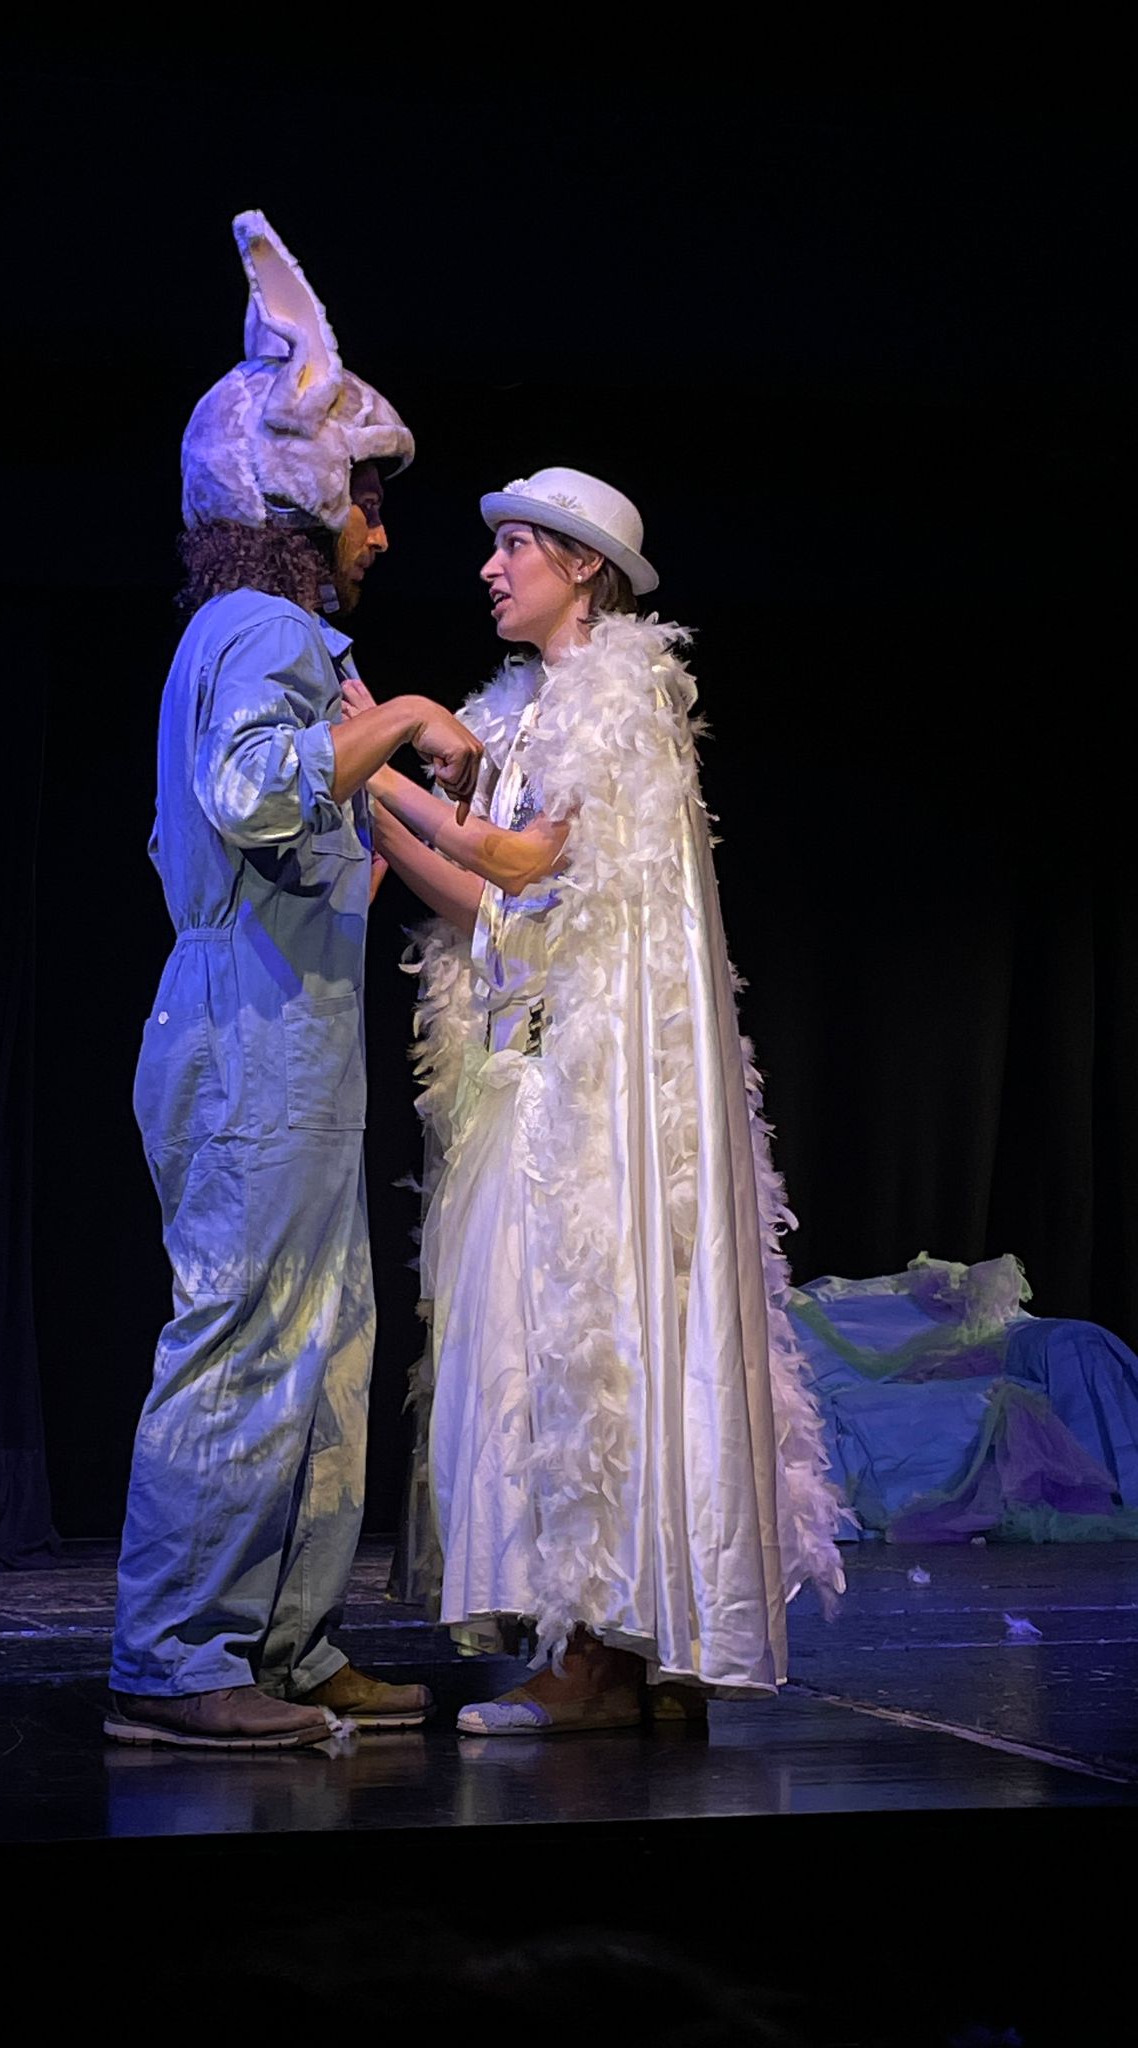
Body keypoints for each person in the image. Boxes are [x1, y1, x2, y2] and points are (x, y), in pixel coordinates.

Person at [361, 467, 846, 1734]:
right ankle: (610, 1655)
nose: (490, 566)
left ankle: (602, 1665)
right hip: (525, 1070)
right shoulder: (515, 716)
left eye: (516, 545)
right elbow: (491, 903)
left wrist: (385, 769)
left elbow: (528, 858)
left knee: (591, 1343)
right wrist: (371, 794)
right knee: (532, 1357)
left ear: (584, 566)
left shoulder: (621, 698)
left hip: (594, 1093)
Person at [105, 213, 483, 1750]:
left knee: (326, 1343)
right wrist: (403, 715)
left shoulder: (277, 640)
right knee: (246, 1336)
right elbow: (254, 793)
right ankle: (175, 1658)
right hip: (246, 1033)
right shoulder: (261, 626)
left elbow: (276, 824)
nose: (381, 534)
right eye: (367, 502)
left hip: (294, 1028)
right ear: (301, 499)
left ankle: (284, 1641)